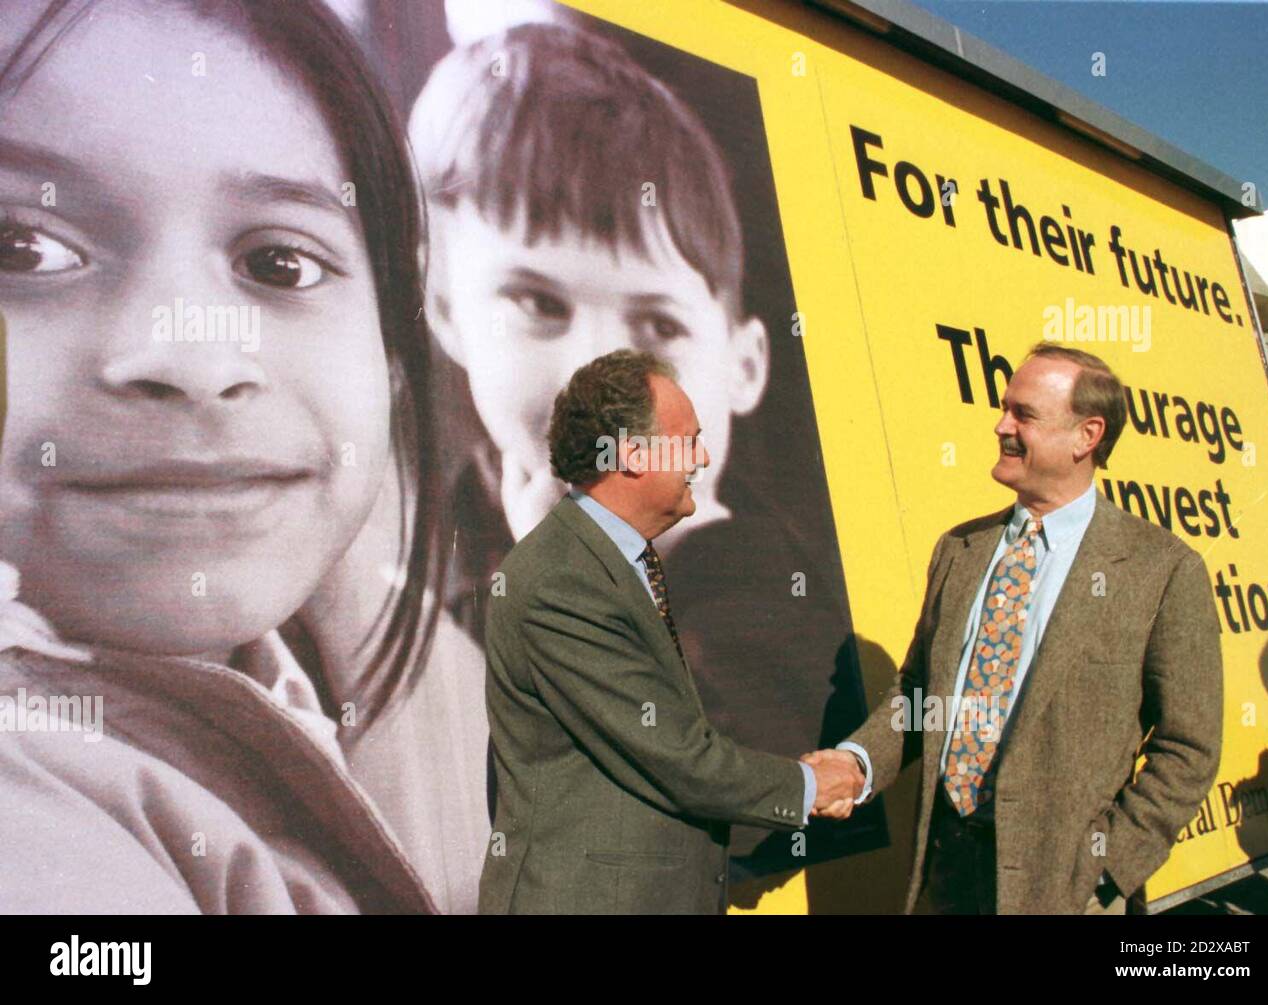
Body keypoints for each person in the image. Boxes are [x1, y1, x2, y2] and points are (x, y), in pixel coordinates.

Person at [0, 0, 445, 913]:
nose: (194, 358)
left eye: (279, 263)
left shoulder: (289, 674)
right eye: (25, 247)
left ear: (394, 358)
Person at [411, 21, 862, 870]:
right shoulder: (438, 541)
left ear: (743, 364)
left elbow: (746, 832)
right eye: (538, 304)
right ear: (447, 313)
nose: (599, 370)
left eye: (657, 325)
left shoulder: (758, 586)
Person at [806, 343, 1224, 914]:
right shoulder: (960, 549)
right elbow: (919, 694)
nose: (1001, 425)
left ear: (1087, 435)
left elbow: (1189, 749)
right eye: (1004, 408)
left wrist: (1107, 867)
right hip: (945, 870)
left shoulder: (1163, 571)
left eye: (1023, 414)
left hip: (1065, 889)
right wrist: (856, 763)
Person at [479, 350, 863, 914]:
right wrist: (809, 786)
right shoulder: (561, 579)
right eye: (688, 442)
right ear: (632, 455)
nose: (702, 458)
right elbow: (676, 758)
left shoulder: (612, 562)